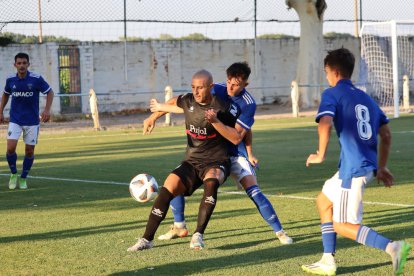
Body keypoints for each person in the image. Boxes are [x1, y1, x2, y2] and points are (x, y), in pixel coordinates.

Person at [147, 62, 293, 245]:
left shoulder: (248, 104)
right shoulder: (216, 89)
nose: (231, 88)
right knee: (177, 181)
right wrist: (153, 117)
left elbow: (242, 133)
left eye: (236, 85)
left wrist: (249, 153)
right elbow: (179, 102)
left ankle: (280, 232)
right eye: (229, 82)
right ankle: (179, 226)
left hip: (234, 152)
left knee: (253, 190)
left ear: (245, 85)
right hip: (210, 151)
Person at [301, 48, 411, 276]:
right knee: (323, 202)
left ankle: (393, 247)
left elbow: (325, 123)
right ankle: (327, 260)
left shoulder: (332, 94)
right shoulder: (366, 98)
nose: (326, 77)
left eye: (326, 72)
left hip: (353, 170)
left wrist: (320, 154)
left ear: (335, 72)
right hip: (362, 167)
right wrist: (381, 166)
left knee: (342, 225)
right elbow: (387, 135)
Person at [128, 69, 240, 251]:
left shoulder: (224, 107)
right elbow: (173, 103)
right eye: (193, 87)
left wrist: (216, 122)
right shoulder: (189, 100)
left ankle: (198, 235)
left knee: (211, 182)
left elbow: (236, 138)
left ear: (211, 87)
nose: (195, 92)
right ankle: (146, 240)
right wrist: (152, 116)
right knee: (168, 187)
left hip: (216, 161)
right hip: (192, 161)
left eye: (200, 88)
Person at [1, 52, 54, 190]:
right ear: (15, 65)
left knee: (29, 151)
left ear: (28, 64)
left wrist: (47, 110)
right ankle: (13, 174)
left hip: (32, 121)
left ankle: (23, 177)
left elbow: (50, 92)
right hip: (15, 120)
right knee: (10, 148)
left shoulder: (36, 79)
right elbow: (5, 95)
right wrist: (0, 111)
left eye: (24, 63)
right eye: (19, 63)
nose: (22, 65)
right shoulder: (10, 80)